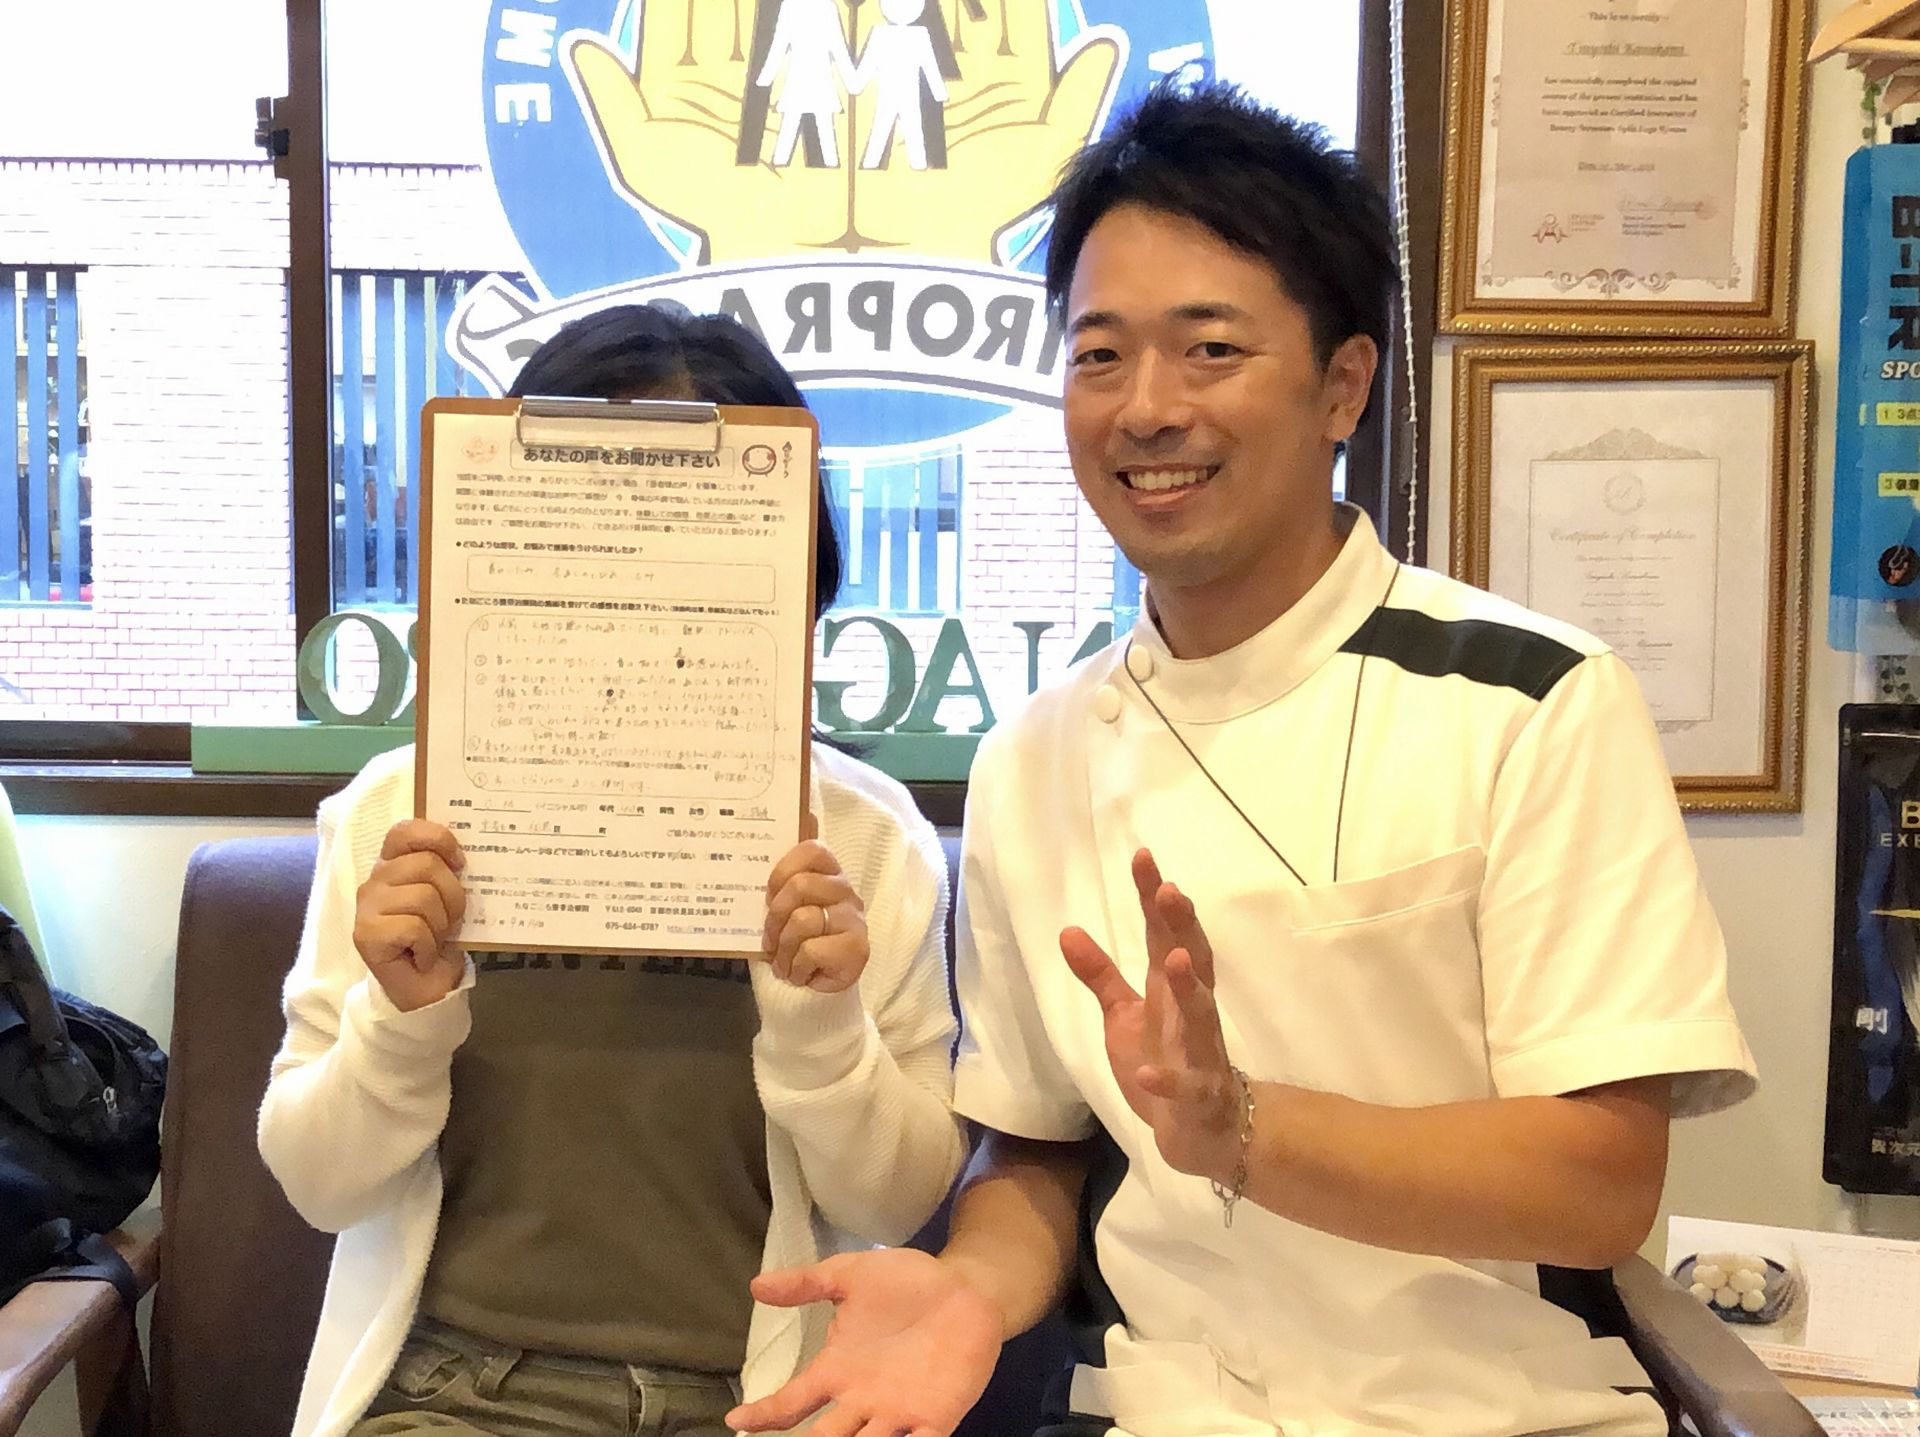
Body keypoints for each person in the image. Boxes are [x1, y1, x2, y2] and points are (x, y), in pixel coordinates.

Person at [727, 82, 1757, 1437]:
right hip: (1166, 1408)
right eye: (1100, 356)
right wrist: (969, 1291)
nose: (1147, 409)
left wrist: (1247, 1129)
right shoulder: (1035, 756)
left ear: (1344, 385)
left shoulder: (1532, 701)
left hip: (1499, 1412)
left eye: (1210, 350)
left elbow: (1600, 1180)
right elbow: (1035, 1149)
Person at [258, 305, 968, 1437]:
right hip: (454, 1394)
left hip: (759, 1399)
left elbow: (898, 1199)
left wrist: (823, 1021)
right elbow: (318, 1184)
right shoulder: (398, 818)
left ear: (798, 577)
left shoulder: (867, 838)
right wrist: (401, 1019)